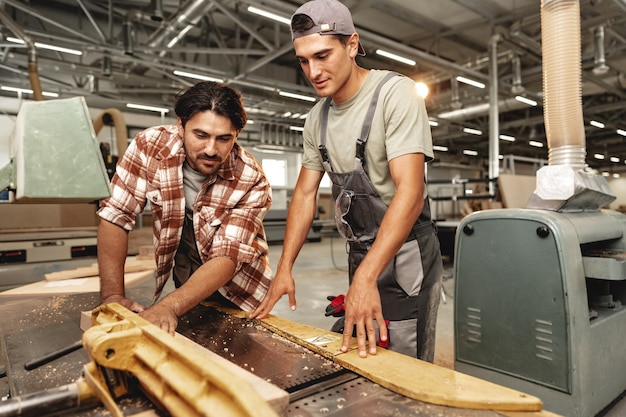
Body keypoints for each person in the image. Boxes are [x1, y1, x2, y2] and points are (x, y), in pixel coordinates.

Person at [250, 0, 443, 361]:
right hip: (361, 252)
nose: (313, 71)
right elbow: (305, 195)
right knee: (364, 352)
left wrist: (366, 278)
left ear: (352, 45)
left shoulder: (394, 94)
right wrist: (285, 269)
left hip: (406, 254)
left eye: (323, 55)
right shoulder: (315, 120)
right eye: (304, 60)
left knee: (403, 356)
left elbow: (411, 193)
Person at [97, 81, 273, 335]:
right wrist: (112, 295)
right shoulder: (150, 147)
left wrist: (169, 305)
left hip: (242, 292)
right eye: (200, 135)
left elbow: (228, 255)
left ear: (237, 135)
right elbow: (116, 215)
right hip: (188, 282)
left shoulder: (250, 177)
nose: (211, 150)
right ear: (180, 125)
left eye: (224, 139)